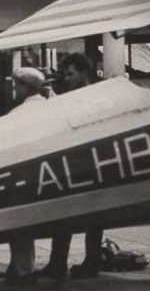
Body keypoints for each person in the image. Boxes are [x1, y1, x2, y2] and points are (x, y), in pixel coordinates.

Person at [42, 54, 105, 279]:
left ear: (83, 72)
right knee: (80, 217)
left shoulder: (89, 95)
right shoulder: (91, 93)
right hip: (84, 161)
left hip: (84, 161)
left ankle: (75, 262)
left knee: (82, 217)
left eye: (71, 74)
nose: (67, 79)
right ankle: (70, 262)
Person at [4, 68, 51, 287]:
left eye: (16, 85)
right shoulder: (51, 106)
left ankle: (22, 268)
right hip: (45, 173)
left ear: (25, 87)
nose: (14, 89)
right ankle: (23, 266)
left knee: (20, 225)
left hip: (24, 175)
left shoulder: (18, 113)